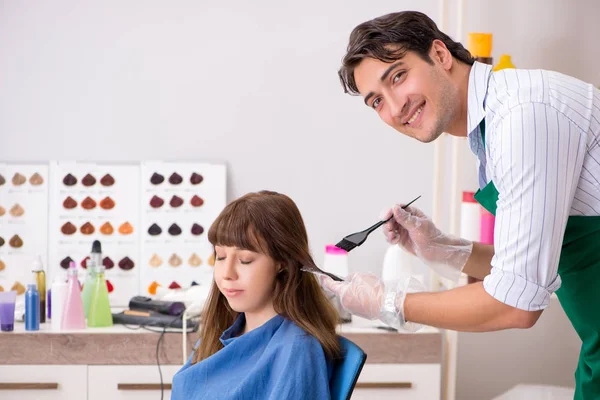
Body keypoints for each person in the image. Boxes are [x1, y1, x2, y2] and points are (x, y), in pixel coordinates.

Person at [318, 10, 600, 399]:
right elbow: (534, 261)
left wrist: (387, 303)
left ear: (440, 54)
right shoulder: (490, 130)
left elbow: (517, 305)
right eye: (376, 101)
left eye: (398, 76)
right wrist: (444, 250)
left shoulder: (523, 117)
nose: (395, 107)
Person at [171, 190, 341, 400]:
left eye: (245, 260)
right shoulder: (220, 333)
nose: (227, 274)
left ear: (282, 262)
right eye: (220, 256)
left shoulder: (297, 350)